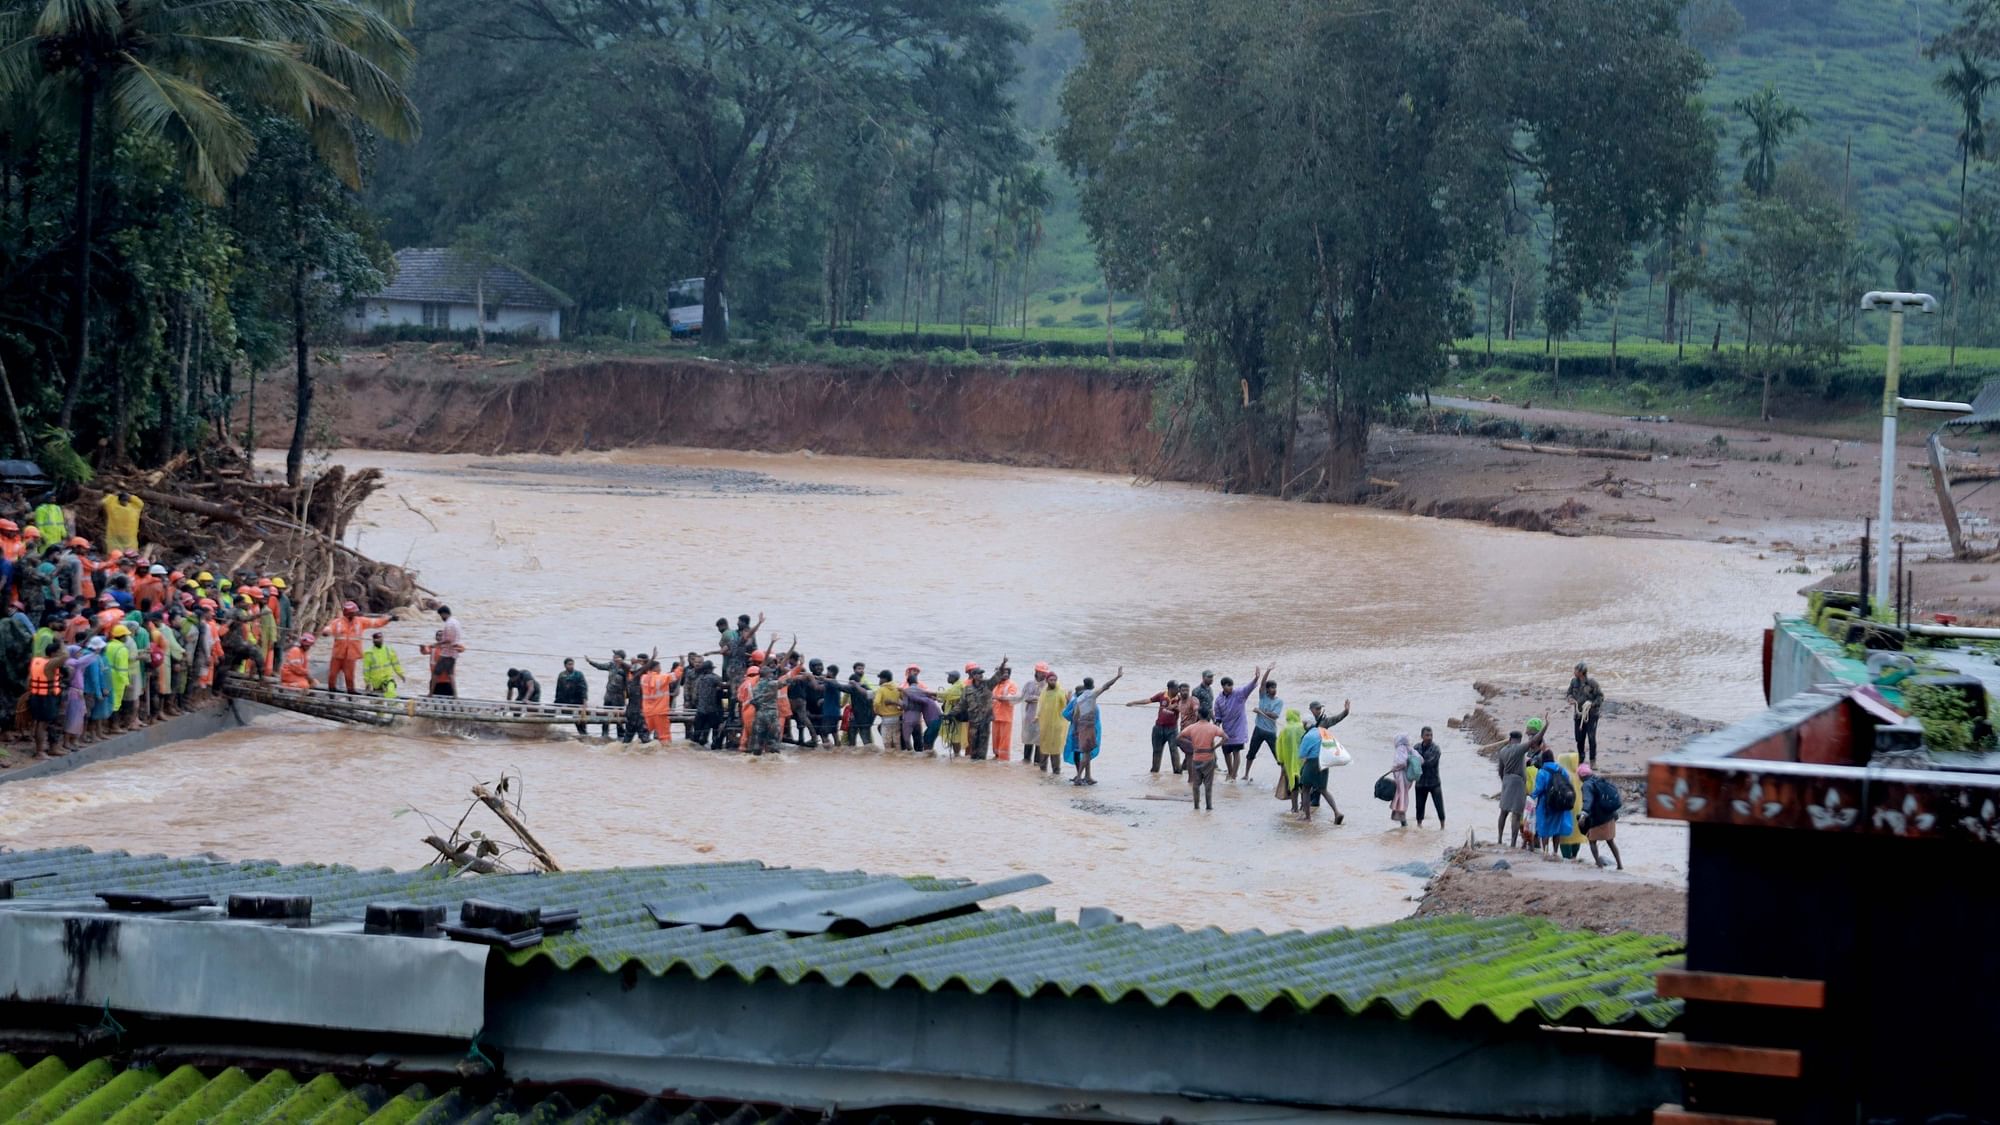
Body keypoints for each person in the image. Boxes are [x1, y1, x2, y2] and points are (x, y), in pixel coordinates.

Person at [1062, 666, 1121, 785]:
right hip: (1089, 728)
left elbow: (1075, 715)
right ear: (1092, 685)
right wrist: (1117, 677)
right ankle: (1079, 777)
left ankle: (1087, 777)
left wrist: (1074, 730)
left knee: (1085, 752)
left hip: (1080, 728)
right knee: (1086, 754)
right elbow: (1106, 686)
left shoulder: (1078, 699)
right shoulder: (1092, 695)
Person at [321, 601, 393, 694]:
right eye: (353, 612)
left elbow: (375, 623)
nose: (355, 614)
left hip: (351, 655)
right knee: (332, 675)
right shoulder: (337, 622)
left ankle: (351, 693)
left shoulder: (360, 621)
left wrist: (388, 619)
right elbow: (329, 628)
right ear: (347, 613)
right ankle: (331, 692)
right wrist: (326, 632)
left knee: (349, 677)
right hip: (337, 655)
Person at [1213, 668, 1263, 781]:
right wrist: (1216, 724)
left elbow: (1249, 688)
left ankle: (1234, 775)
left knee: (1236, 751)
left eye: (1231, 685)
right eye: (1228, 685)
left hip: (1238, 728)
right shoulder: (1218, 700)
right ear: (1223, 686)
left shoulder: (1239, 693)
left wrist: (1256, 678)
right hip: (1226, 728)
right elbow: (1218, 715)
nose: (1230, 687)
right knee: (1226, 752)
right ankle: (1230, 771)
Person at [1128, 680, 1185, 774]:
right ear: (1170, 689)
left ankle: (1177, 772)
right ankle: (1154, 773)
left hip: (1172, 729)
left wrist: (1175, 707)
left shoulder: (1180, 699)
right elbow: (1148, 700)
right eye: (1176, 688)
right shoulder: (1162, 695)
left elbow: (1185, 710)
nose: (1178, 690)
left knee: (1174, 750)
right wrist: (1133, 702)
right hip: (1158, 728)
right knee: (1157, 751)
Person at [1532, 748, 1577, 858]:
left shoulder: (1542, 772)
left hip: (1545, 804)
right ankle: (1555, 852)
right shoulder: (1562, 770)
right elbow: (1567, 783)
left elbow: (1539, 789)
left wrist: (1531, 796)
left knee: (1544, 829)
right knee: (1557, 829)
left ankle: (1545, 852)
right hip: (1559, 803)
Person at [1578, 762, 1625, 869]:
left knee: (1592, 841)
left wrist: (1583, 814)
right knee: (1610, 841)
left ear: (1581, 776)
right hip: (1609, 815)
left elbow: (1587, 800)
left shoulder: (1586, 785)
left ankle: (1599, 866)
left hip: (1598, 818)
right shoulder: (1598, 779)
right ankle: (1620, 865)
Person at [1178, 715, 1226, 810]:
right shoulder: (1213, 727)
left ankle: (1196, 807)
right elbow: (1226, 737)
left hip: (1196, 758)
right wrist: (1216, 747)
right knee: (1208, 785)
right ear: (1208, 717)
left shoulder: (1192, 727)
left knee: (1196, 785)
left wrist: (1191, 744)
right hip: (1209, 758)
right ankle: (1209, 807)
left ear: (1199, 716)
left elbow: (1179, 737)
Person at [961, 661, 1005, 760]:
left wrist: (1002, 665)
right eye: (979, 674)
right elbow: (961, 704)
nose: (981, 675)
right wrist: (951, 714)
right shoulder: (967, 688)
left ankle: (981, 762)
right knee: (973, 743)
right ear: (974, 676)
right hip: (973, 720)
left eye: (982, 674)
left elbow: (997, 677)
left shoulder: (988, 684)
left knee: (983, 744)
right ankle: (975, 765)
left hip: (985, 720)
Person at [1247, 676, 1284, 782]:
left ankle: (1283, 776)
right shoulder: (1263, 697)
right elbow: (1262, 684)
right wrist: (1268, 671)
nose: (1274, 690)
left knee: (1278, 754)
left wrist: (1261, 711)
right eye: (1272, 687)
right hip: (1258, 729)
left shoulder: (1279, 702)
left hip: (1271, 732)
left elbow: (1275, 715)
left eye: (1275, 687)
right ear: (1267, 690)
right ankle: (1246, 774)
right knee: (1251, 752)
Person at [1495, 730, 1528, 848]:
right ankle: (1513, 843)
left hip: (1506, 780)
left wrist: (1504, 781)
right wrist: (1546, 726)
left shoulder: (1503, 751)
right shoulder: (1519, 749)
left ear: (1509, 739)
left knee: (1503, 811)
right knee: (1516, 814)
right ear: (1520, 740)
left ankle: (1499, 839)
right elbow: (1534, 740)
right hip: (1518, 782)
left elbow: (1500, 770)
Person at [1567, 662, 1604, 765]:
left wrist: (1592, 704)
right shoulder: (1574, 682)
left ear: (1581, 672)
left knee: (1591, 737)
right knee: (1579, 738)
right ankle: (1581, 758)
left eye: (1576, 670)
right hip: (1578, 714)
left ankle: (1593, 761)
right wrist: (1570, 699)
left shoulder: (1592, 683)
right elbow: (1569, 693)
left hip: (1591, 715)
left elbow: (1600, 697)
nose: (1574, 672)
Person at [587, 651, 630, 738]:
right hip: (609, 694)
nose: (614, 658)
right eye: (614, 657)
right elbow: (600, 666)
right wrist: (590, 662)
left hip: (619, 695)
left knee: (619, 716)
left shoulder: (625, 668)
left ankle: (620, 736)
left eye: (617, 657)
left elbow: (629, 680)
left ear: (621, 658)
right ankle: (605, 735)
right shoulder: (611, 665)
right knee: (606, 714)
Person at [1036, 671, 1068, 776]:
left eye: (1055, 680)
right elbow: (1040, 706)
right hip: (1045, 725)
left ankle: (1056, 772)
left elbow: (1066, 707)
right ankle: (1042, 771)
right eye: (1051, 680)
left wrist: (1068, 700)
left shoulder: (1061, 692)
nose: (1053, 682)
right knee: (1044, 748)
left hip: (1057, 725)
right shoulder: (1044, 692)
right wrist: (1037, 716)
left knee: (1055, 750)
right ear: (1047, 680)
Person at [1275, 707, 1307, 811]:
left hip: (1289, 762)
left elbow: (1278, 746)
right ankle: (1304, 806)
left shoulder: (1284, 729)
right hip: (1302, 761)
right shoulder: (1302, 728)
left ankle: (1294, 808)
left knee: (1293, 784)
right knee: (1304, 785)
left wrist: (1280, 761)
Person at [1413, 726, 1444, 830]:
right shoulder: (1416, 748)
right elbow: (1410, 761)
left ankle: (1442, 827)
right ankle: (1419, 826)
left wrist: (1416, 762)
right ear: (1422, 736)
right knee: (1419, 806)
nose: (1429, 737)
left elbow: (1429, 763)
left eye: (1431, 735)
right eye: (1427, 735)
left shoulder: (1436, 749)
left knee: (1439, 806)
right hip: (1420, 783)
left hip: (1434, 782)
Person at [362, 632, 405, 699]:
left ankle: (392, 708)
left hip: (387, 679)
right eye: (377, 640)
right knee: (377, 703)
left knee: (390, 692)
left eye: (380, 639)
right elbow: (366, 670)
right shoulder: (369, 653)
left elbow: (396, 664)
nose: (379, 641)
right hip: (376, 682)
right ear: (373, 641)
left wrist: (401, 674)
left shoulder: (389, 650)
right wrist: (367, 683)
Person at [989, 666, 1019, 761]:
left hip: (1006, 717)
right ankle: (996, 757)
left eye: (1007, 672)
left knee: (1004, 740)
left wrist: (997, 697)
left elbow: (1011, 698)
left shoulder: (1011, 685)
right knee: (995, 740)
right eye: (1003, 672)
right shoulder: (995, 685)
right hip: (995, 716)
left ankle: (1004, 760)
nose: (1005, 674)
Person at [641, 658, 674, 742]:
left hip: (647, 712)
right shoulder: (661, 678)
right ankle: (665, 752)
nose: (660, 669)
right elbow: (675, 675)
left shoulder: (643, 678)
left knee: (645, 734)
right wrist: (681, 665)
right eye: (659, 667)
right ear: (655, 668)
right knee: (664, 736)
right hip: (660, 712)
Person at [871, 670, 905, 750]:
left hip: (886, 719)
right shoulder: (897, 687)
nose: (879, 680)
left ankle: (888, 759)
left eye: (880, 678)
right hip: (897, 718)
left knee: (887, 742)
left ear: (884, 679)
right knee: (897, 741)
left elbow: (876, 703)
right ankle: (897, 758)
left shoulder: (881, 689)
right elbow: (904, 701)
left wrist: (877, 711)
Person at [554, 658, 589, 734]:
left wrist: (584, 702)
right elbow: (558, 689)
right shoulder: (561, 675)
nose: (571, 666)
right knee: (551, 713)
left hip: (576, 701)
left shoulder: (578, 674)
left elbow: (584, 688)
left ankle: (584, 734)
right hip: (565, 700)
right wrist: (556, 702)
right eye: (569, 664)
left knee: (579, 720)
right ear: (565, 665)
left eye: (572, 664)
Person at [1019, 665, 1045, 764]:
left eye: (1045, 672)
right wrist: (1035, 698)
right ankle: (1026, 761)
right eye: (1042, 672)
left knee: (1039, 742)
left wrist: (1034, 698)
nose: (1044, 674)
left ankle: (1037, 763)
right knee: (1028, 740)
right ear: (1037, 672)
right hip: (1029, 717)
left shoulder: (1047, 685)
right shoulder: (1029, 684)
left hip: (1041, 718)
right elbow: (1024, 697)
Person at [420, 631, 458, 696]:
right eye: (438, 635)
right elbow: (425, 651)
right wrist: (422, 648)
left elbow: (461, 648)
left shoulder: (449, 649)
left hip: (447, 682)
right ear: (436, 637)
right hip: (435, 682)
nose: (439, 637)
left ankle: (455, 695)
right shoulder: (432, 647)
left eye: (441, 635)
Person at [938, 670, 965, 756]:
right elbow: (947, 697)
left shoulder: (956, 687)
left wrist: (926, 693)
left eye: (949, 676)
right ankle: (956, 754)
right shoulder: (957, 686)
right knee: (953, 735)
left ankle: (957, 754)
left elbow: (945, 694)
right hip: (952, 715)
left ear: (954, 678)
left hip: (955, 715)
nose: (948, 678)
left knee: (955, 736)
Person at [1389, 733, 1414, 826]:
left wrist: (1394, 768)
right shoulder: (1410, 748)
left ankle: (1403, 821)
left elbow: (1402, 762)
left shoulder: (1400, 749)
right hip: (1408, 777)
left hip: (1401, 777)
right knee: (1402, 796)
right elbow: (1420, 759)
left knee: (1401, 796)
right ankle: (1402, 820)